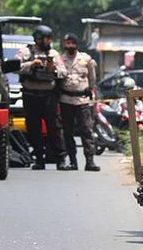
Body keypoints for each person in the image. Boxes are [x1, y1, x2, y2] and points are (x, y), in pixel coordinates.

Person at [15, 25, 67, 170]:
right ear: (38, 38)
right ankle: (38, 158)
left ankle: (60, 159)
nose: (48, 41)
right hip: (31, 95)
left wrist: (53, 68)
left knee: (55, 128)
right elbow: (15, 67)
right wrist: (31, 64)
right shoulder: (26, 51)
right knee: (33, 128)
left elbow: (64, 72)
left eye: (50, 38)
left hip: (49, 96)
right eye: (46, 38)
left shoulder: (54, 54)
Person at [59, 32, 100, 171]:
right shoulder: (60, 60)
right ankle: (72, 161)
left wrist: (91, 90)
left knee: (86, 130)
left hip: (82, 100)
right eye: (67, 43)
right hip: (66, 100)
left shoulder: (85, 59)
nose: (69, 45)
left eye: (72, 43)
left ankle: (90, 161)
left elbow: (92, 78)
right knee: (68, 132)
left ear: (76, 44)